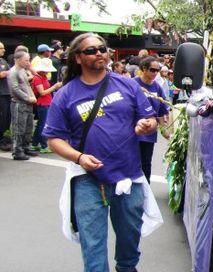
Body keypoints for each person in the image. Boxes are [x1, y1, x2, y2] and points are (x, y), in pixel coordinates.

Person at [43, 33, 163, 272]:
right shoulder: (66, 95)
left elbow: (149, 118)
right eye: (91, 50)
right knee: (93, 246)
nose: (99, 53)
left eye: (102, 48)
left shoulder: (127, 84)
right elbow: (53, 139)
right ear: (78, 58)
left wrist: (147, 124)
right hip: (87, 180)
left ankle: (127, 268)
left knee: (130, 239)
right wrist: (79, 157)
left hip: (128, 177)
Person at [133, 56, 170, 182]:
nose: (155, 73)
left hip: (149, 133)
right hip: (132, 132)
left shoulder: (157, 88)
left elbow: (162, 111)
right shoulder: (133, 84)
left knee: (146, 163)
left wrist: (164, 130)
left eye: (157, 70)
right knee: (131, 162)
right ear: (144, 69)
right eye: (152, 70)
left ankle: (145, 190)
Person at [8, 50, 38, 160]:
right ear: (18, 60)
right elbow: (14, 89)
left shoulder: (22, 71)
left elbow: (27, 86)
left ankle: (26, 147)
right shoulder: (13, 72)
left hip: (28, 103)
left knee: (28, 126)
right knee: (18, 128)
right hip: (18, 103)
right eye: (26, 60)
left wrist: (33, 96)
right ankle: (17, 150)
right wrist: (28, 98)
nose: (28, 62)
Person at [30, 58, 62, 153]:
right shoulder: (37, 78)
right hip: (42, 103)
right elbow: (42, 92)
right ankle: (43, 145)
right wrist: (54, 87)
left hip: (46, 102)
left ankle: (35, 143)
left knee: (41, 124)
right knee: (43, 125)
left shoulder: (43, 77)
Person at [0, 42, 12, 151]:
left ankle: (4, 138)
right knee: (2, 117)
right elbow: (3, 74)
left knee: (7, 117)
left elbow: (8, 72)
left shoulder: (3, 61)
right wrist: (8, 72)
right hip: (1, 94)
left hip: (7, 93)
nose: (3, 50)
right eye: (1, 48)